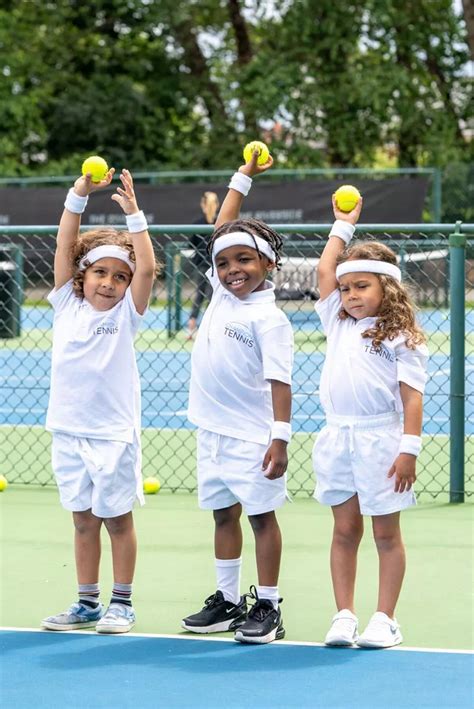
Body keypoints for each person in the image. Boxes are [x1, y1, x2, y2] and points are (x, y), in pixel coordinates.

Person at [182, 151, 294, 644]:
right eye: (224, 263)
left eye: (244, 260)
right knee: (222, 514)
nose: (232, 270)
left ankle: (268, 606)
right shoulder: (223, 295)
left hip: (254, 438)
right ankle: (228, 600)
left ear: (267, 263)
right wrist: (241, 178)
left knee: (260, 517)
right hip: (211, 433)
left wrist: (280, 439)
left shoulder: (271, 319)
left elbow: (281, 384)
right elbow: (222, 231)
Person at [41, 167, 157, 634]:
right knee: (84, 520)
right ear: (82, 276)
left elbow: (147, 266)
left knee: (116, 520)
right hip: (67, 431)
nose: (109, 282)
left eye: (119, 277)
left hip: (112, 435)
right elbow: (65, 245)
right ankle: (87, 603)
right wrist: (77, 195)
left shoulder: (129, 314)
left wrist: (133, 215)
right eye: (100, 273)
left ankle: (121, 603)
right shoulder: (66, 303)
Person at [313, 196, 429, 648]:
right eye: (347, 289)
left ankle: (385, 619)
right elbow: (326, 272)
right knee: (344, 530)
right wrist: (342, 226)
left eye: (362, 286)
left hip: (383, 441)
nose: (351, 295)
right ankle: (344, 615)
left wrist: (408, 450)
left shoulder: (403, 336)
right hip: (336, 438)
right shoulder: (336, 323)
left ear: (388, 288)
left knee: (385, 533)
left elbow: (412, 398)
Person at [187, 191, 220, 339]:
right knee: (213, 297)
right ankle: (208, 328)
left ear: (203, 205)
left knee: (200, 296)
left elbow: (190, 244)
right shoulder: (221, 222)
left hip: (203, 264)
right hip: (217, 265)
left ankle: (192, 328)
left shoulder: (197, 223)